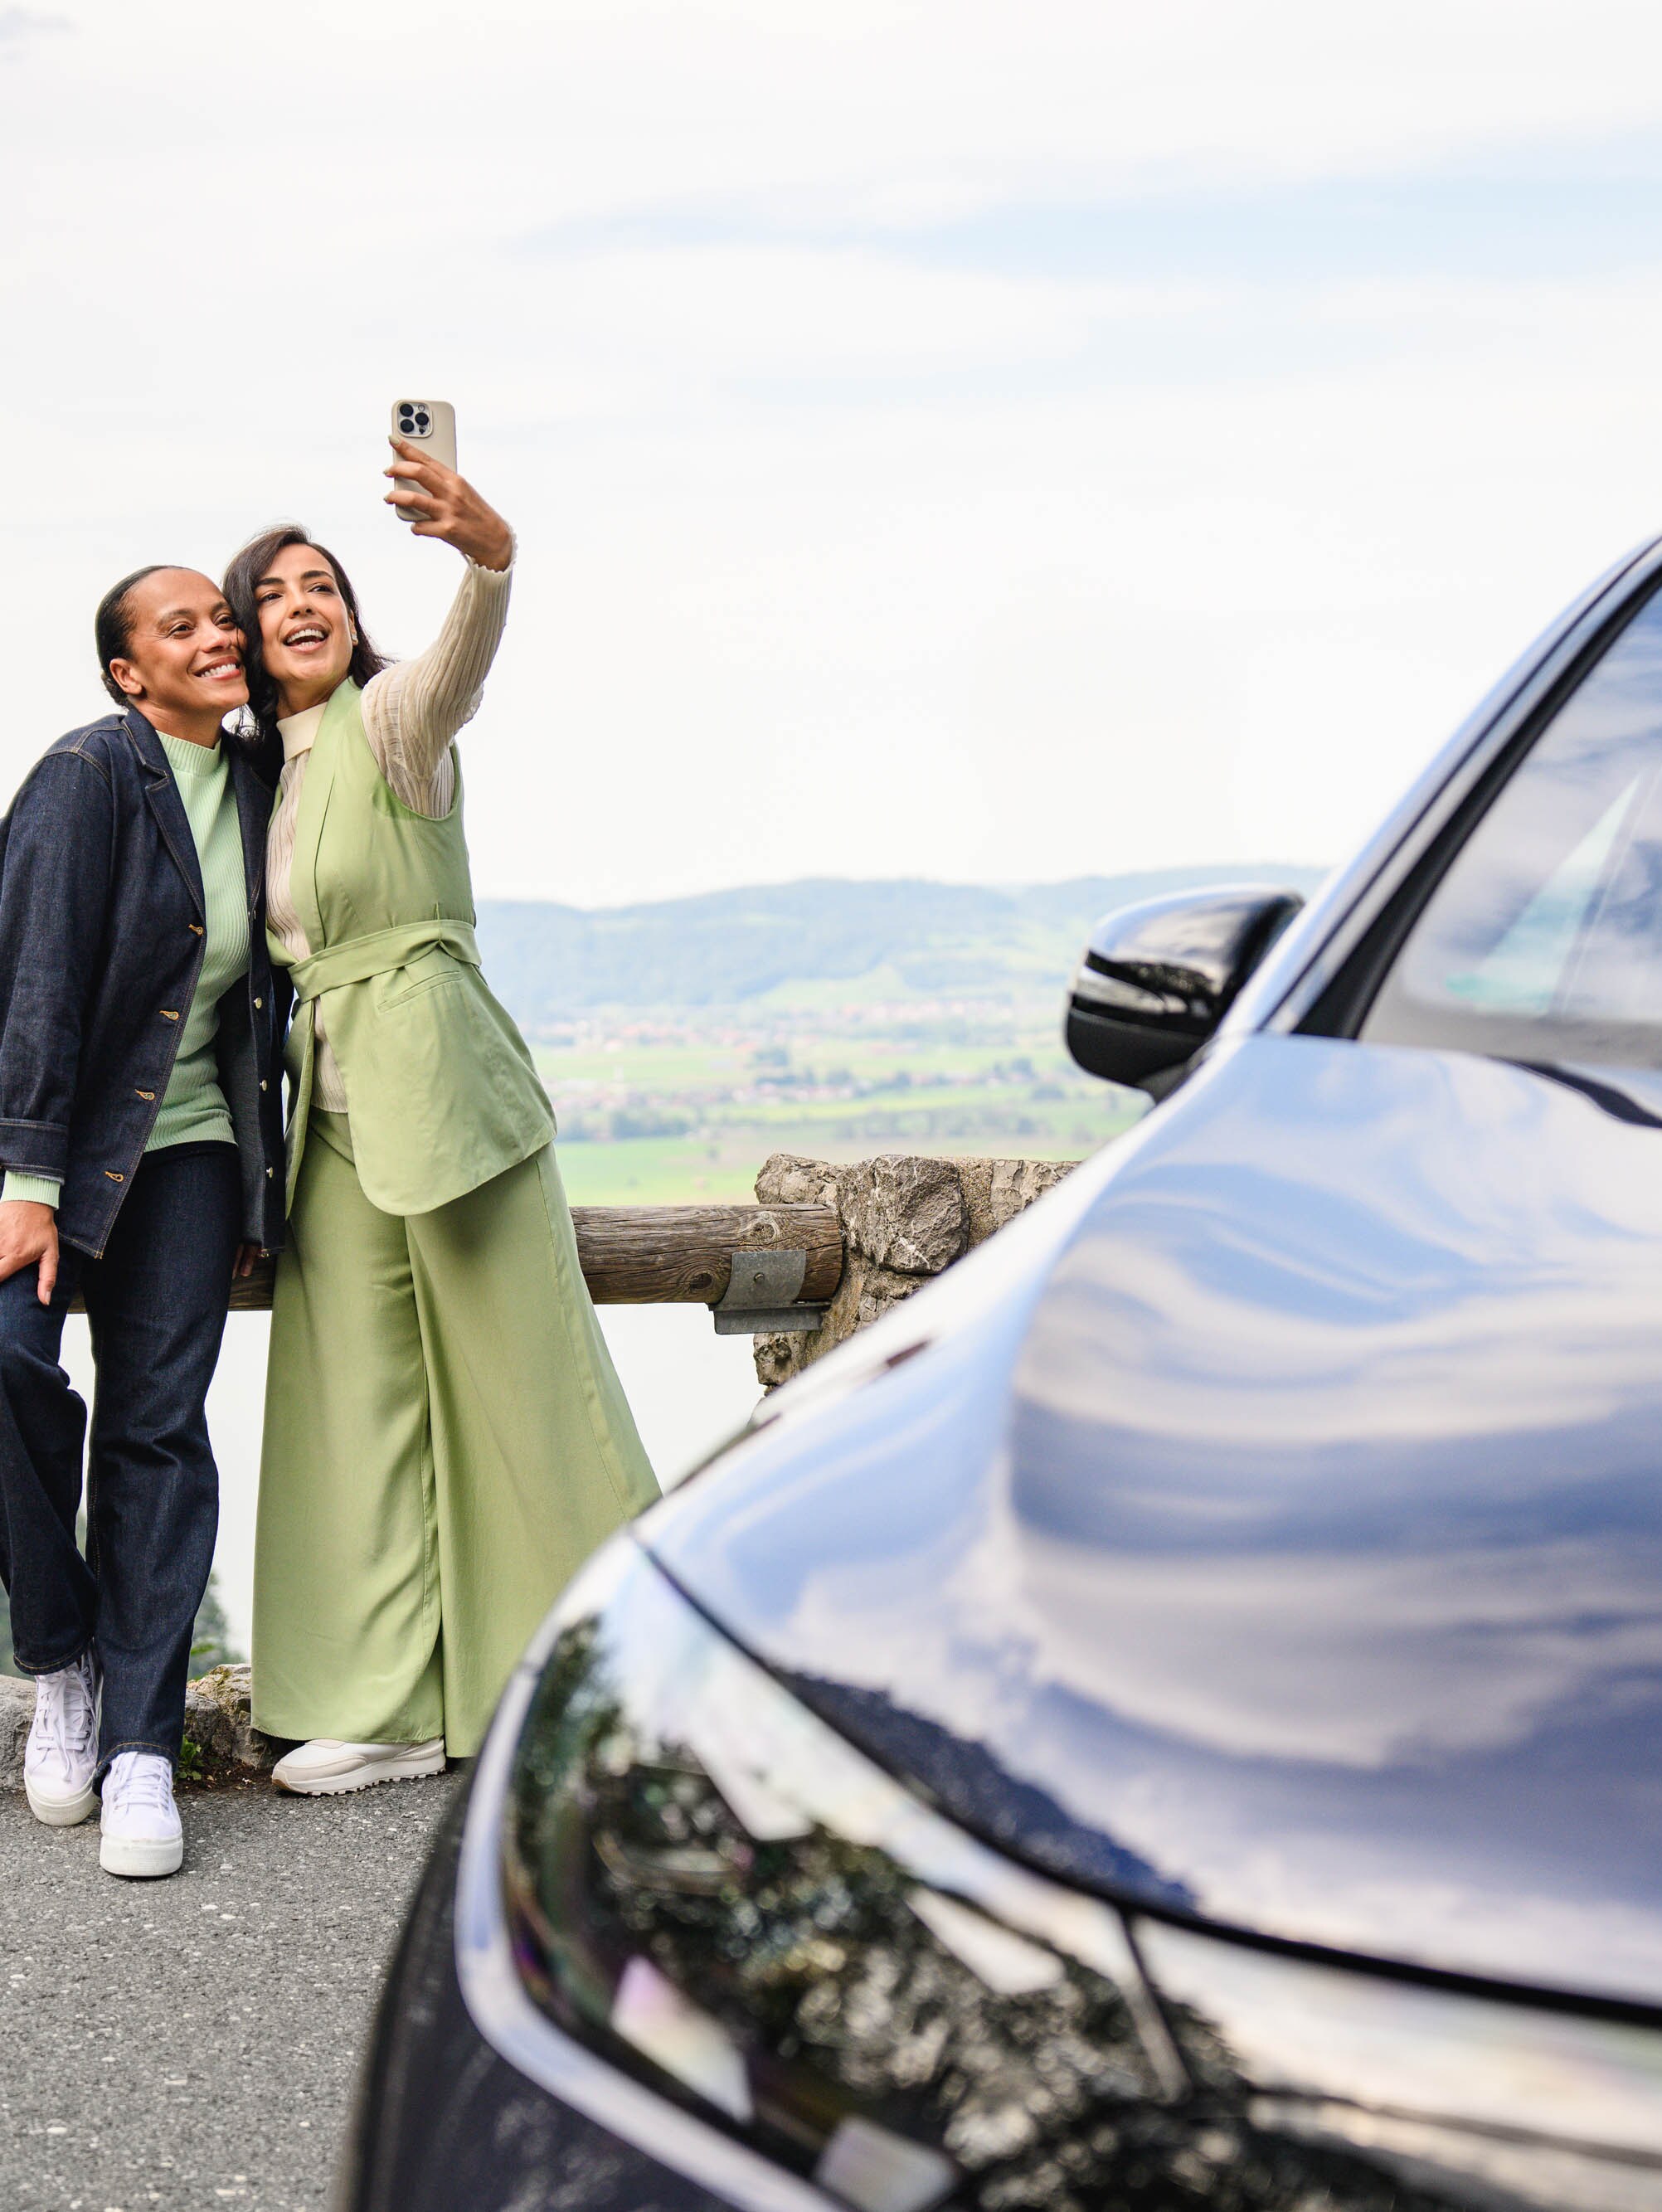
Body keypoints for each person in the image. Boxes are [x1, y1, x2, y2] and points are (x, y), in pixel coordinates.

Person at [223, 440, 657, 1796]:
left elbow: (458, 663)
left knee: (526, 1388)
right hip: (330, 1114)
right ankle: (390, 1706)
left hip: (443, 1087)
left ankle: (622, 1677)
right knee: (351, 1407)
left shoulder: (393, 724)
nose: (306, 602)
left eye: (324, 584)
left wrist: (487, 556)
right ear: (246, 634)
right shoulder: (267, 777)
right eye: (276, 593)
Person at [0, 567, 284, 1878]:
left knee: (159, 1431)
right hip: (48, 1156)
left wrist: (261, 1185)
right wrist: (31, 1179)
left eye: (216, 617)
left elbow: (249, 1007)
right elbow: (37, 980)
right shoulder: (88, 775)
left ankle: (140, 1749)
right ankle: (59, 1657)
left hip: (187, 1157)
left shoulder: (265, 777)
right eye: (183, 627)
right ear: (129, 674)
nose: (218, 635)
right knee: (8, 1362)